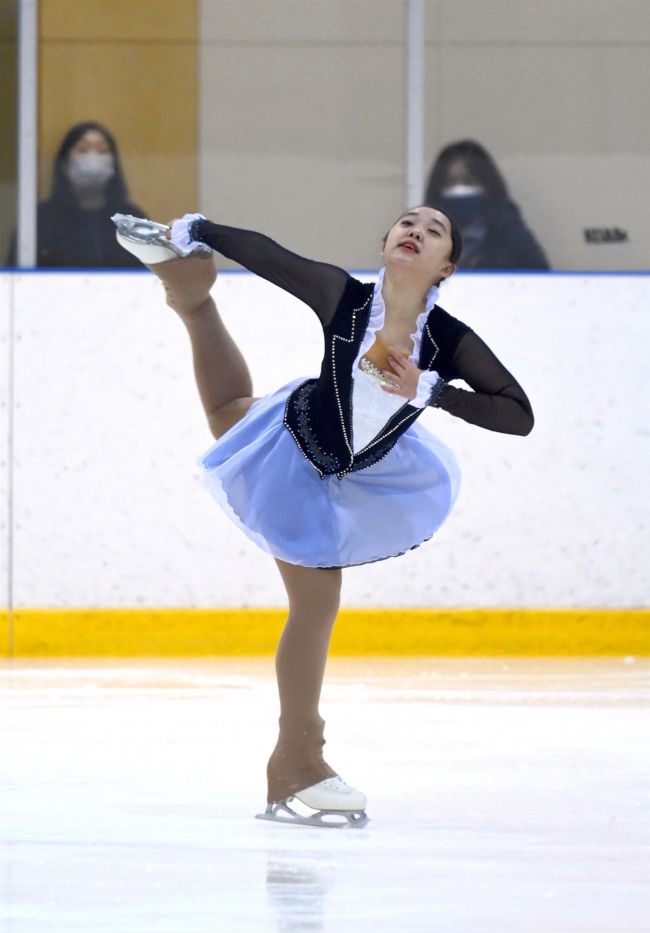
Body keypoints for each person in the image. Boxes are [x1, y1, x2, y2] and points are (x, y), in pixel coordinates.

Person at [112, 205, 534, 828]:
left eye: (434, 229)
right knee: (313, 601)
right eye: (405, 223)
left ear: (445, 266)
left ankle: (188, 291)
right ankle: (297, 764)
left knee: (230, 409)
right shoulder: (345, 299)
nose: (415, 229)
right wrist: (199, 229)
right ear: (388, 242)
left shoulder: (448, 341)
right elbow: (270, 254)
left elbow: (517, 413)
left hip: (366, 472)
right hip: (302, 449)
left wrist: (431, 391)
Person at [7, 122, 146, 268]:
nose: (93, 158)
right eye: (83, 150)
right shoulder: (39, 219)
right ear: (64, 164)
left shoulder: (131, 221)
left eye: (102, 151)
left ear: (113, 165)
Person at [424, 140, 550, 270]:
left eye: (468, 182)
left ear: (487, 185)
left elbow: (541, 278)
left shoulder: (510, 233)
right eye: (451, 183)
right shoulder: (424, 239)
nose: (460, 189)